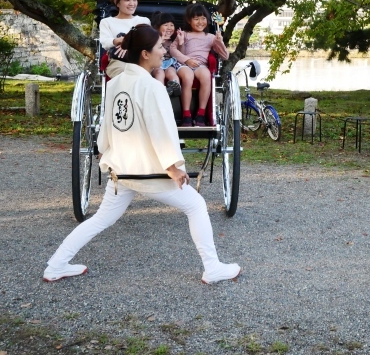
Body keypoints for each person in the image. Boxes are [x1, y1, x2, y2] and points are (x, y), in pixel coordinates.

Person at [43, 24, 240, 284]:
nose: (163, 51)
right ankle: (212, 268)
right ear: (145, 54)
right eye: (159, 47)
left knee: (101, 219)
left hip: (121, 168)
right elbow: (161, 129)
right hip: (148, 170)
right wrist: (173, 166)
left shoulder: (114, 85)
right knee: (196, 205)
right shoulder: (152, 87)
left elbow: (107, 125)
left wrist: (104, 153)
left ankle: (56, 265)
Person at [170, 3, 229, 127]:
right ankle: (186, 114)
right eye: (196, 19)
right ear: (189, 20)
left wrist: (220, 42)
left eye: (203, 19)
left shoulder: (211, 37)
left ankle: (201, 113)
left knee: (207, 76)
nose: (200, 22)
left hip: (200, 65)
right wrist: (186, 59)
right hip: (183, 64)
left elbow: (225, 56)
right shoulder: (184, 34)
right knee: (188, 77)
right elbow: (173, 50)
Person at [99, 0, 151, 78]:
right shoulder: (107, 22)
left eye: (135, 0)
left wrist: (128, 43)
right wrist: (118, 40)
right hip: (118, 61)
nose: (132, 4)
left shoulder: (143, 21)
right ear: (116, 2)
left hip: (140, 60)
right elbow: (105, 42)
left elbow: (149, 42)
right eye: (127, 0)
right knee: (125, 75)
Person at [150, 11, 182, 97]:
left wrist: (181, 42)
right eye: (166, 25)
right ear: (157, 27)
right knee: (159, 72)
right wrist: (161, 40)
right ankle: (160, 90)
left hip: (169, 63)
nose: (169, 28)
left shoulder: (174, 39)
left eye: (172, 25)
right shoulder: (153, 38)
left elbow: (180, 53)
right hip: (156, 63)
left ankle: (176, 87)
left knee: (171, 72)